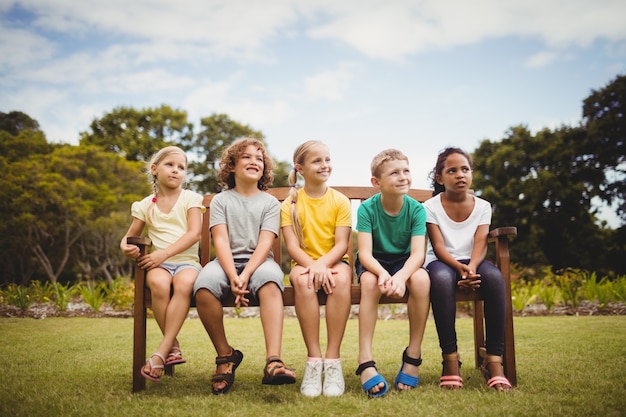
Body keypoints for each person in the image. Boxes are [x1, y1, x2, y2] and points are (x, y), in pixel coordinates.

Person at [193, 137, 296, 395]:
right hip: (226, 262)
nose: (254, 162)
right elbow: (221, 240)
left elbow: (264, 244)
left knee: (272, 283)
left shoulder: (271, 203)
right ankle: (226, 355)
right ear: (232, 166)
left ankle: (273, 360)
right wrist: (233, 276)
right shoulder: (221, 201)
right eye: (247, 157)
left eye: (259, 158)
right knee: (203, 287)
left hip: (260, 263)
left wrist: (246, 274)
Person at [423, 146, 512, 391]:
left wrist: (471, 267)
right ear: (440, 178)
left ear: (471, 174)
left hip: (473, 260)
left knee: (494, 279)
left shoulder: (483, 206)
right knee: (440, 281)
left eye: (465, 169)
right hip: (441, 262)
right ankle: (450, 358)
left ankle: (494, 360)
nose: (460, 174)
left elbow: (481, 242)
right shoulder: (430, 207)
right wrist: (459, 269)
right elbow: (438, 246)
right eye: (452, 170)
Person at [120, 146, 204, 382]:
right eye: (170, 165)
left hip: (186, 262)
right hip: (159, 266)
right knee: (157, 282)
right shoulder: (145, 205)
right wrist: (125, 246)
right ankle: (173, 346)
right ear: (155, 169)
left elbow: (194, 234)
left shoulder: (190, 199)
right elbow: (130, 236)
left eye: (181, 167)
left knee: (184, 283)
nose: (176, 171)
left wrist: (163, 254)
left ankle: (161, 352)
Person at [355, 149, 431, 398]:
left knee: (421, 279)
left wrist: (399, 277)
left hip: (405, 262)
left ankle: (413, 355)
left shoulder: (416, 210)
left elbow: (418, 255)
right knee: (368, 283)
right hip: (374, 262)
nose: (403, 177)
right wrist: (382, 274)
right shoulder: (367, 209)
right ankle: (365, 359)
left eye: (406, 171)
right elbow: (364, 254)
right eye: (394, 173)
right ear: (376, 182)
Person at [280, 140, 352, 397]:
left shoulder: (340, 201)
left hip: (334, 263)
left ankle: (333, 362)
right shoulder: (289, 205)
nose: (325, 165)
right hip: (303, 264)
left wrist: (323, 265)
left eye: (327, 159)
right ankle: (314, 361)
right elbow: (293, 248)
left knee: (341, 280)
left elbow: (342, 245)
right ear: (299, 168)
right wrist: (314, 267)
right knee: (302, 281)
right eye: (317, 160)